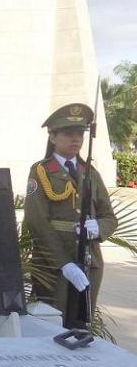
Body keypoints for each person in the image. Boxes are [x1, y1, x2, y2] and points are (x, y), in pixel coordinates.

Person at [23, 102, 117, 321]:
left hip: (89, 261)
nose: (76, 139)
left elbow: (109, 217)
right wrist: (63, 263)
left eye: (80, 134)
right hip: (53, 265)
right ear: (53, 137)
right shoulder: (42, 172)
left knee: (82, 323)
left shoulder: (90, 173)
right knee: (52, 323)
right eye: (68, 133)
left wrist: (98, 228)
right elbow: (36, 221)